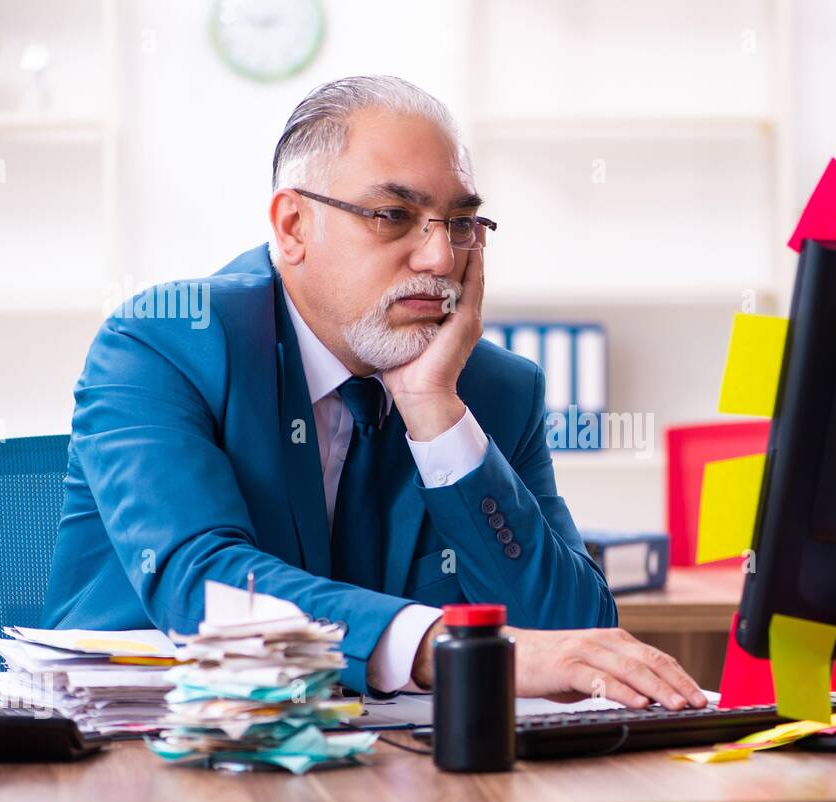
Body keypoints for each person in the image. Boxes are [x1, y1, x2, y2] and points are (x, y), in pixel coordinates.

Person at [43, 75, 705, 711]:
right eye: (394, 215)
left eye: (460, 223)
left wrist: (438, 416)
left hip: (381, 778)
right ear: (294, 226)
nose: (441, 258)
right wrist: (448, 647)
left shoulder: (493, 389)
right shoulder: (163, 344)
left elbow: (570, 637)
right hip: (140, 766)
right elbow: (204, 586)